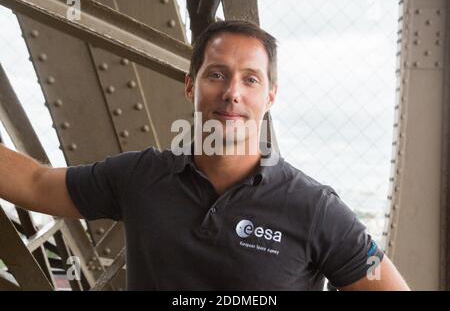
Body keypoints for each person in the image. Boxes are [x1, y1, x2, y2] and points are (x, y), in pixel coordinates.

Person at [0, 20, 410, 291]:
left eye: (250, 79)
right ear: (190, 86)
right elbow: (35, 183)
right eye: (216, 74)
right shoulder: (140, 177)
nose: (232, 92)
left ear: (270, 96)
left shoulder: (314, 208)